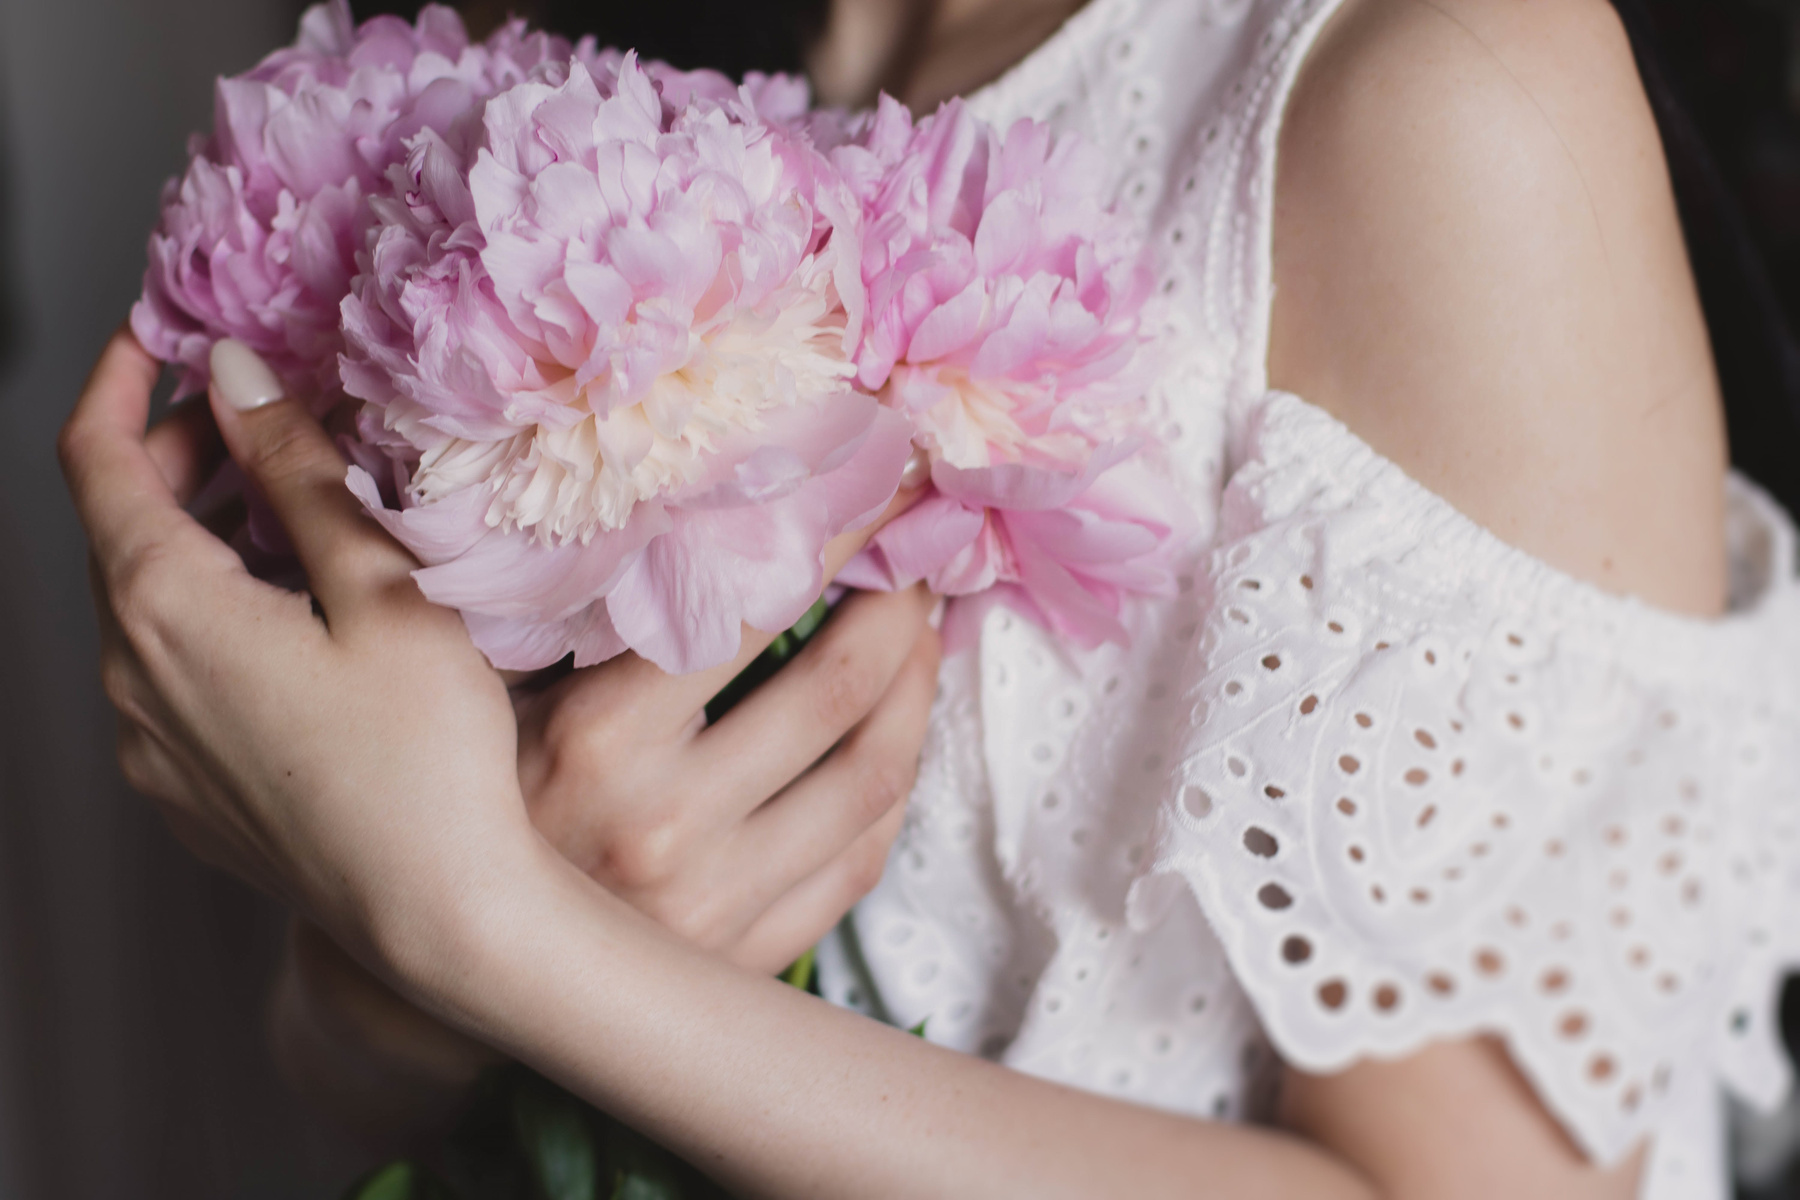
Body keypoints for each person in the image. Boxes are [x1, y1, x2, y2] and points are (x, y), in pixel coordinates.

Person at [58, 0, 1800, 1194]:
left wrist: (486, 926)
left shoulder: (1433, 89)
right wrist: (384, 983)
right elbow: (343, 1066)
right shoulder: (526, 92)